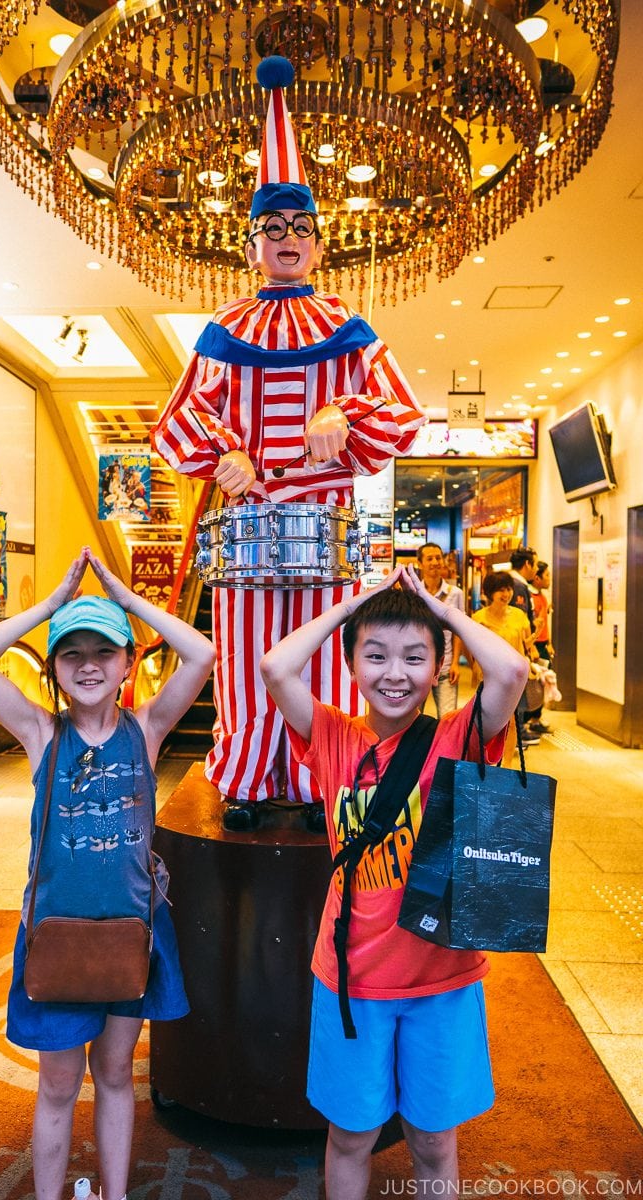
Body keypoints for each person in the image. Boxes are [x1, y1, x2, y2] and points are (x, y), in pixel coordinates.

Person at [151, 56, 424, 831]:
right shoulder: (223, 329)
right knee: (243, 660)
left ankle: (320, 781)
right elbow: (175, 422)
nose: (288, 238)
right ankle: (246, 774)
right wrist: (222, 451)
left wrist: (344, 409)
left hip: (325, 525)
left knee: (321, 663)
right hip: (246, 528)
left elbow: (403, 412)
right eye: (273, 228)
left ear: (319, 243)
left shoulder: (348, 326)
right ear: (250, 246)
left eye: (301, 227)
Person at [259, 565, 528, 1200]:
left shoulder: (458, 737)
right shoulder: (330, 735)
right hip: (351, 977)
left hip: (443, 976)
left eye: (415, 656)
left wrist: (443, 611)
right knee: (350, 1136)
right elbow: (275, 668)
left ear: (439, 666)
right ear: (352, 663)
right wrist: (357, 602)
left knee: (434, 1141)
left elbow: (512, 673)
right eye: (375, 655)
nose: (395, 674)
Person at [0, 547, 215, 1200]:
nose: (89, 665)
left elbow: (203, 656)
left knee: (118, 1075)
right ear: (56, 671)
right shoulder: (43, 733)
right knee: (60, 1085)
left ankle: (114, 1193)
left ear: (128, 663)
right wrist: (48, 608)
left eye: (105, 652)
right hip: (57, 939)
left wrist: (127, 601)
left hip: (130, 937)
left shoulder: (147, 728)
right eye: (72, 653)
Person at [469, 569, 539, 761]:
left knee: (512, 723)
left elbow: (527, 645)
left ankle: (506, 763)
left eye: (508, 589)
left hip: (512, 681)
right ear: (490, 593)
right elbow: (472, 650)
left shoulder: (519, 616)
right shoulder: (479, 619)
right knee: (485, 722)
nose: (506, 594)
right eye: (500, 589)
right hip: (488, 680)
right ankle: (484, 760)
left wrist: (532, 647)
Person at [415, 542, 464, 717]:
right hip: (417, 668)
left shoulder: (455, 593)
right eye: (429, 558)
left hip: (445, 667)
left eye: (438, 557)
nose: (435, 562)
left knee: (448, 719)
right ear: (420, 564)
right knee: (411, 719)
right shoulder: (414, 593)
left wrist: (456, 663)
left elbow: (458, 631)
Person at [526, 560, 554, 735]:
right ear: (537, 578)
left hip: (543, 645)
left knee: (543, 684)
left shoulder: (543, 597)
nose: (549, 579)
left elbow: (545, 622)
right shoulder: (529, 598)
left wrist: (549, 642)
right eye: (547, 575)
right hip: (533, 645)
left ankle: (536, 719)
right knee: (532, 685)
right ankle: (525, 720)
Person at [508, 545, 537, 624]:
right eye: (536, 564)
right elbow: (520, 621)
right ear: (527, 564)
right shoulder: (518, 586)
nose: (537, 569)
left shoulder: (513, 582)